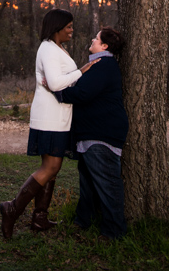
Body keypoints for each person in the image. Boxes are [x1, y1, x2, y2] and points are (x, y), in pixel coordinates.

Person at [0, 8, 99, 239]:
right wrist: (81, 71)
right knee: (51, 167)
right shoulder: (48, 49)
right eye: (69, 26)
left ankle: (39, 218)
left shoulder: (56, 48)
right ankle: (11, 208)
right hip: (50, 117)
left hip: (58, 116)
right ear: (57, 28)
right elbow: (55, 83)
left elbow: (58, 82)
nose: (72, 30)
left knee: (53, 168)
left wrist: (71, 78)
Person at [53, 27, 128, 240]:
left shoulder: (104, 65)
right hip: (91, 134)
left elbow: (83, 93)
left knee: (107, 184)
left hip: (101, 134)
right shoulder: (97, 65)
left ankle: (114, 232)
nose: (92, 39)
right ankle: (82, 221)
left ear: (104, 46)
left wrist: (56, 91)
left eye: (96, 38)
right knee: (88, 183)